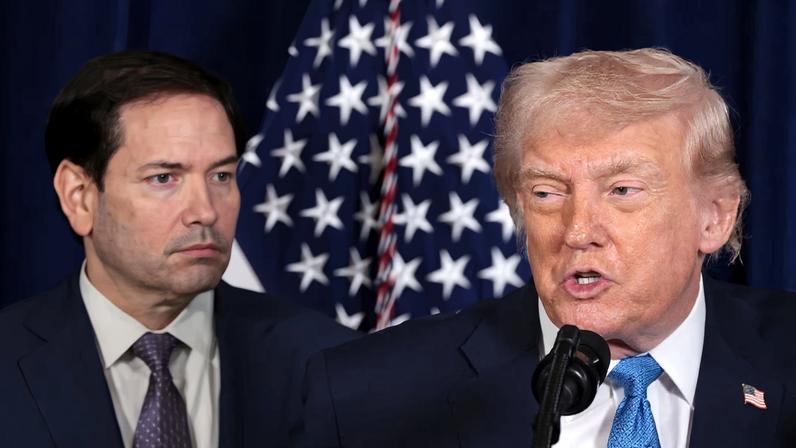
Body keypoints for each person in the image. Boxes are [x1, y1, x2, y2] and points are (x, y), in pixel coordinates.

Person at [294, 48, 796, 447]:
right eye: (547, 193)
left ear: (715, 216)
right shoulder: (366, 399)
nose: (577, 231)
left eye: (622, 190)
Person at [0, 50, 357, 448]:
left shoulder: (329, 362)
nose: (205, 211)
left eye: (221, 175)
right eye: (164, 178)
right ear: (80, 197)